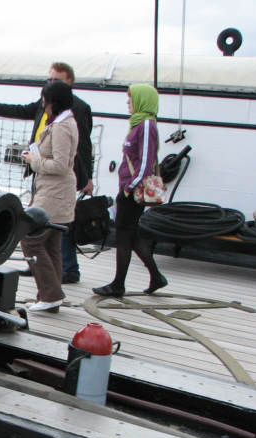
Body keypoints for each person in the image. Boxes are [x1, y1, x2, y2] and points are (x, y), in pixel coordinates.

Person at [0, 62, 92, 284]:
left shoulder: (75, 111)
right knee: (51, 230)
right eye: (50, 79)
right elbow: (22, 110)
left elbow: (82, 147)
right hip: (43, 173)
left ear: (69, 82)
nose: (51, 84)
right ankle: (42, 269)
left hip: (56, 175)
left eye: (57, 80)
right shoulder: (47, 105)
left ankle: (66, 270)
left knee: (48, 228)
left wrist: (88, 177)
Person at [92, 84, 167, 297]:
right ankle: (156, 276)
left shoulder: (145, 126)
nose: (128, 103)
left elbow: (145, 162)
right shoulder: (140, 124)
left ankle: (118, 285)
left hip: (132, 192)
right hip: (129, 190)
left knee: (123, 236)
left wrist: (129, 187)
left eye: (131, 99)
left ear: (142, 100)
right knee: (131, 235)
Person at [16, 80, 78, 312]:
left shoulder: (61, 127)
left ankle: (51, 294)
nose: (43, 105)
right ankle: (50, 296)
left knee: (31, 239)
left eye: (45, 101)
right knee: (51, 243)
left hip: (54, 192)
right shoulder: (66, 122)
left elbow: (61, 165)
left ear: (52, 102)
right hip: (57, 192)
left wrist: (34, 161)